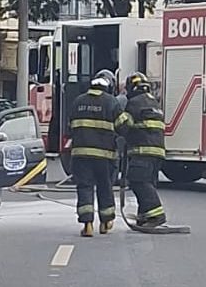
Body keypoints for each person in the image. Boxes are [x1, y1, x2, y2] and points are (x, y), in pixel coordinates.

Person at [69, 69, 128, 237]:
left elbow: (71, 126)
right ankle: (105, 222)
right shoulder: (111, 103)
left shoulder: (78, 101)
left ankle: (87, 224)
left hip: (81, 156)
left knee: (85, 187)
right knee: (105, 187)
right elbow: (123, 127)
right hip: (104, 157)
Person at [117, 72, 167, 227]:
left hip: (142, 151)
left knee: (138, 182)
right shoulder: (154, 103)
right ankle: (144, 216)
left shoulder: (134, 103)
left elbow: (123, 126)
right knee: (148, 182)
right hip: (157, 152)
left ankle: (157, 215)